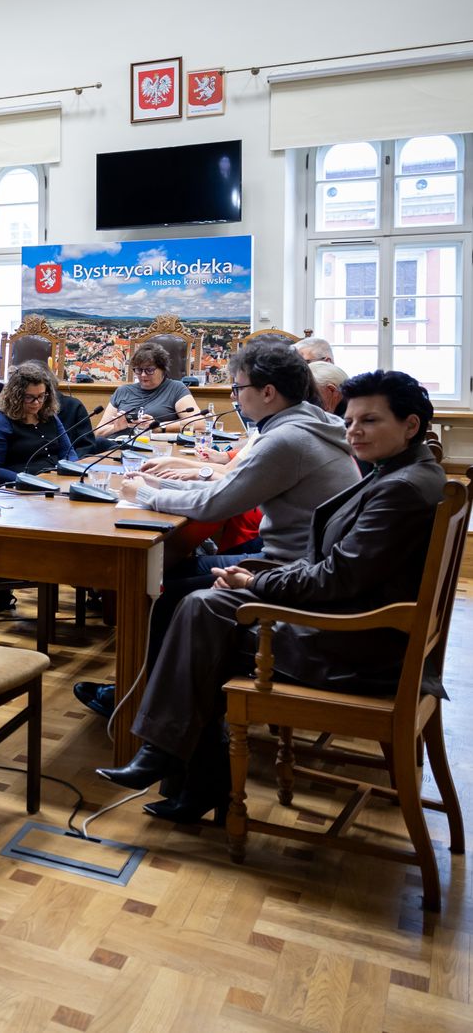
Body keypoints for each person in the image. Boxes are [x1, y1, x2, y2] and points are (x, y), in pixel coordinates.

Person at [96, 371, 445, 824]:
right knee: (201, 609)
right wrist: (255, 577)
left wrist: (256, 584)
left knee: (200, 616)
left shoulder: (399, 489)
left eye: (369, 421)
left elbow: (337, 578)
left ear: (411, 425)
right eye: (351, 419)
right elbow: (336, 563)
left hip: (359, 649)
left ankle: (175, 762)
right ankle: (179, 767)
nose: (353, 431)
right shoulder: (408, 471)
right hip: (363, 624)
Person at [75, 342, 358, 720]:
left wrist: (143, 494)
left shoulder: (286, 439)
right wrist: (159, 488)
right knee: (174, 568)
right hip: (306, 564)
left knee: (162, 593)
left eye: (238, 388)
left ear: (268, 392)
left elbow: (217, 504)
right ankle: (149, 688)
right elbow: (225, 488)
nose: (233, 396)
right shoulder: (311, 424)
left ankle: (146, 699)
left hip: (291, 575)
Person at [0, 362, 77, 483]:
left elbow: (68, 453)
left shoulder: (49, 416)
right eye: (29, 397)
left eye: (41, 396)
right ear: (16, 397)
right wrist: (29, 480)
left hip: (55, 482)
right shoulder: (0, 422)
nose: (36, 403)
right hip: (22, 489)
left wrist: (71, 470)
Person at [94, 342, 201, 440]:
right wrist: (115, 427)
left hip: (154, 448)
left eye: (149, 370)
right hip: (116, 446)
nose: (143, 375)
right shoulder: (123, 391)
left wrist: (158, 426)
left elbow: (199, 423)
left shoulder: (176, 388)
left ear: (162, 369)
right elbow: (97, 433)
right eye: (139, 370)